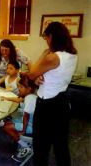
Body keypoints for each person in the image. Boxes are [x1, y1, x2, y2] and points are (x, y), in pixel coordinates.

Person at [27, 22, 77, 166]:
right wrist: (39, 77)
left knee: (41, 147)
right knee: (61, 147)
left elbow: (31, 74)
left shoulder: (52, 57)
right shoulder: (72, 55)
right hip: (62, 103)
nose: (47, 42)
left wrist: (43, 54)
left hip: (47, 106)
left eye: (46, 38)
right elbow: (54, 75)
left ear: (52, 37)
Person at [2, 74, 37, 163]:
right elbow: (19, 100)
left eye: (21, 87)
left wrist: (23, 130)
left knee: (6, 127)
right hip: (32, 122)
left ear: (28, 89)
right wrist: (7, 98)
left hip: (32, 126)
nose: (19, 89)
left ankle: (26, 147)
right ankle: (18, 139)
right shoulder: (31, 96)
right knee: (9, 121)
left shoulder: (30, 99)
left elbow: (26, 116)